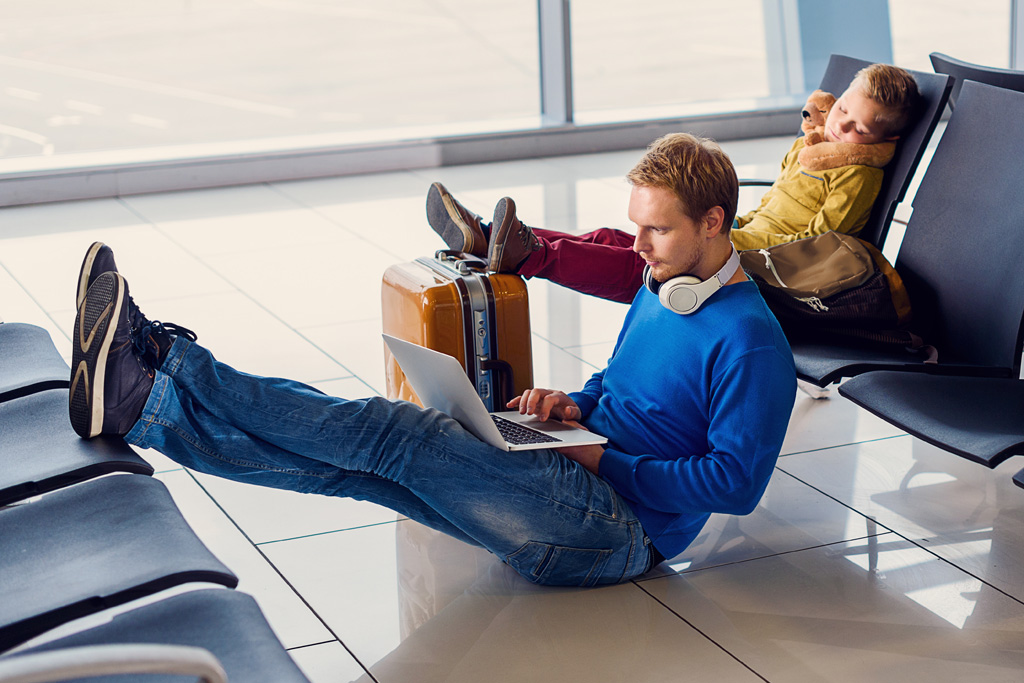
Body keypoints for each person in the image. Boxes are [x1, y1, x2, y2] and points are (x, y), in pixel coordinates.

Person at [69, 133, 796, 587]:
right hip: (581, 473)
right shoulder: (664, 284)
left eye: (656, 231)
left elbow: (733, 487)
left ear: (713, 223)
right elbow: (622, 380)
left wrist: (604, 462)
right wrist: (573, 406)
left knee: (397, 434)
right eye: (635, 227)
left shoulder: (751, 342)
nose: (634, 248)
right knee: (356, 469)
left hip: (618, 534)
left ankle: (168, 359)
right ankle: (142, 406)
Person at [427, 63, 921, 303]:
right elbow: (774, 201)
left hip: (768, 262)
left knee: (640, 261)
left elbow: (819, 242)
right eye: (843, 112)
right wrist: (739, 224)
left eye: (861, 129)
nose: (843, 128)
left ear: (885, 137)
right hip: (746, 233)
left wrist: (739, 243)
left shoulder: (856, 174)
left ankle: (528, 255)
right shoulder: (814, 144)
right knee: (612, 239)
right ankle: (496, 237)